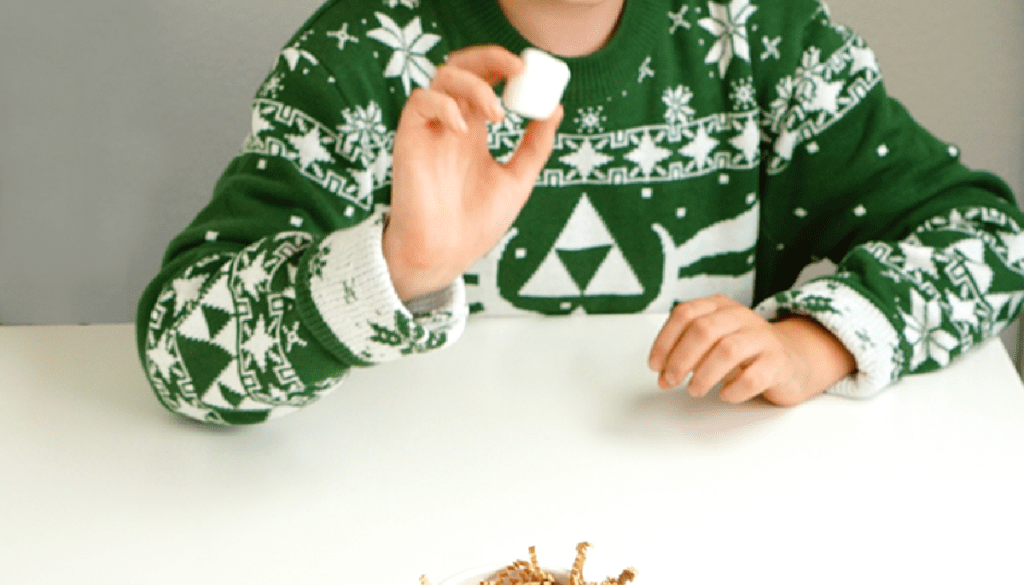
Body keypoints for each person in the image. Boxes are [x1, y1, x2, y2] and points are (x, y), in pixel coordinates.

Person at [136, 0, 1024, 425]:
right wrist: (397, 268)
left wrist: (814, 342)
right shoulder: (359, 58)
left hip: (702, 527)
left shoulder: (761, 40)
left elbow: (991, 242)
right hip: (414, 547)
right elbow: (180, 353)